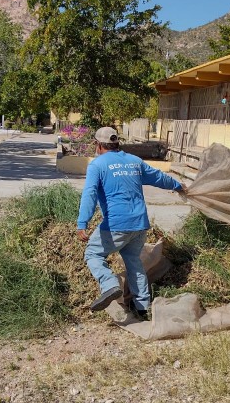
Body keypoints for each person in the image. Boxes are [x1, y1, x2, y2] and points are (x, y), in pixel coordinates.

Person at [77, 126, 185, 320]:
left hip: (117, 224)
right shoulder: (134, 161)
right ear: (117, 143)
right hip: (140, 224)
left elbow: (90, 194)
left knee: (93, 253)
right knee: (134, 263)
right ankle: (142, 308)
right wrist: (178, 185)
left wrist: (82, 222)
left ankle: (110, 285)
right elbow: (158, 177)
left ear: (98, 145)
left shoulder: (98, 165)